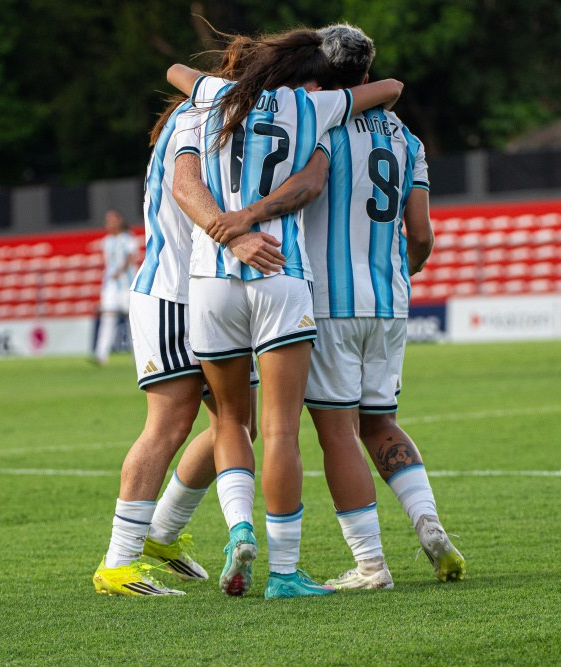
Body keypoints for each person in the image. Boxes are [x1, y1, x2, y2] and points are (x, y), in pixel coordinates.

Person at [208, 23, 464, 587]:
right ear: (366, 74)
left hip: (327, 302)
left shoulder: (318, 122)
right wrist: (400, 274)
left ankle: (371, 564)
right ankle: (428, 522)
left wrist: (248, 217)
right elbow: (419, 234)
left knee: (338, 434)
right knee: (383, 423)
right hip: (389, 302)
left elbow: (310, 186)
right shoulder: (407, 139)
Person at [169, 29, 404, 599]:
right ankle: (284, 574)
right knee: (280, 430)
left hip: (212, 278)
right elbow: (391, 88)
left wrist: (225, 83)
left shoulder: (216, 99)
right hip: (282, 273)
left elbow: (177, 72)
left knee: (228, 420)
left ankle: (239, 528)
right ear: (311, 74)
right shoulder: (315, 104)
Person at [92, 42, 278, 597]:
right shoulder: (197, 119)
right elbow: (187, 188)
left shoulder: (220, 117)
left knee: (237, 423)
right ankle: (118, 563)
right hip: (172, 293)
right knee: (170, 422)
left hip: (209, 293)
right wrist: (238, 234)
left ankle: (163, 536)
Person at [92, 210, 139, 366]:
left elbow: (131, 258)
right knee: (108, 318)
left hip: (127, 285)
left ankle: (138, 355)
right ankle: (100, 355)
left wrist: (120, 271)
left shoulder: (129, 238)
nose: (109, 224)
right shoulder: (106, 241)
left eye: (112, 220)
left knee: (132, 321)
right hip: (111, 287)